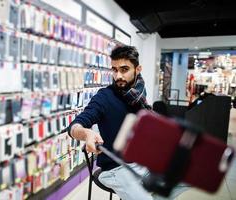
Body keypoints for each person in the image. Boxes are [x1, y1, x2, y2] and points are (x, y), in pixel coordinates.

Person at [68, 45, 188, 200]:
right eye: (114, 69)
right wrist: (86, 133)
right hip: (115, 168)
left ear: (138, 69)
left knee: (188, 175)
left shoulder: (139, 95)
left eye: (124, 69)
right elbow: (75, 126)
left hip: (142, 162)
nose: (118, 75)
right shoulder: (104, 97)